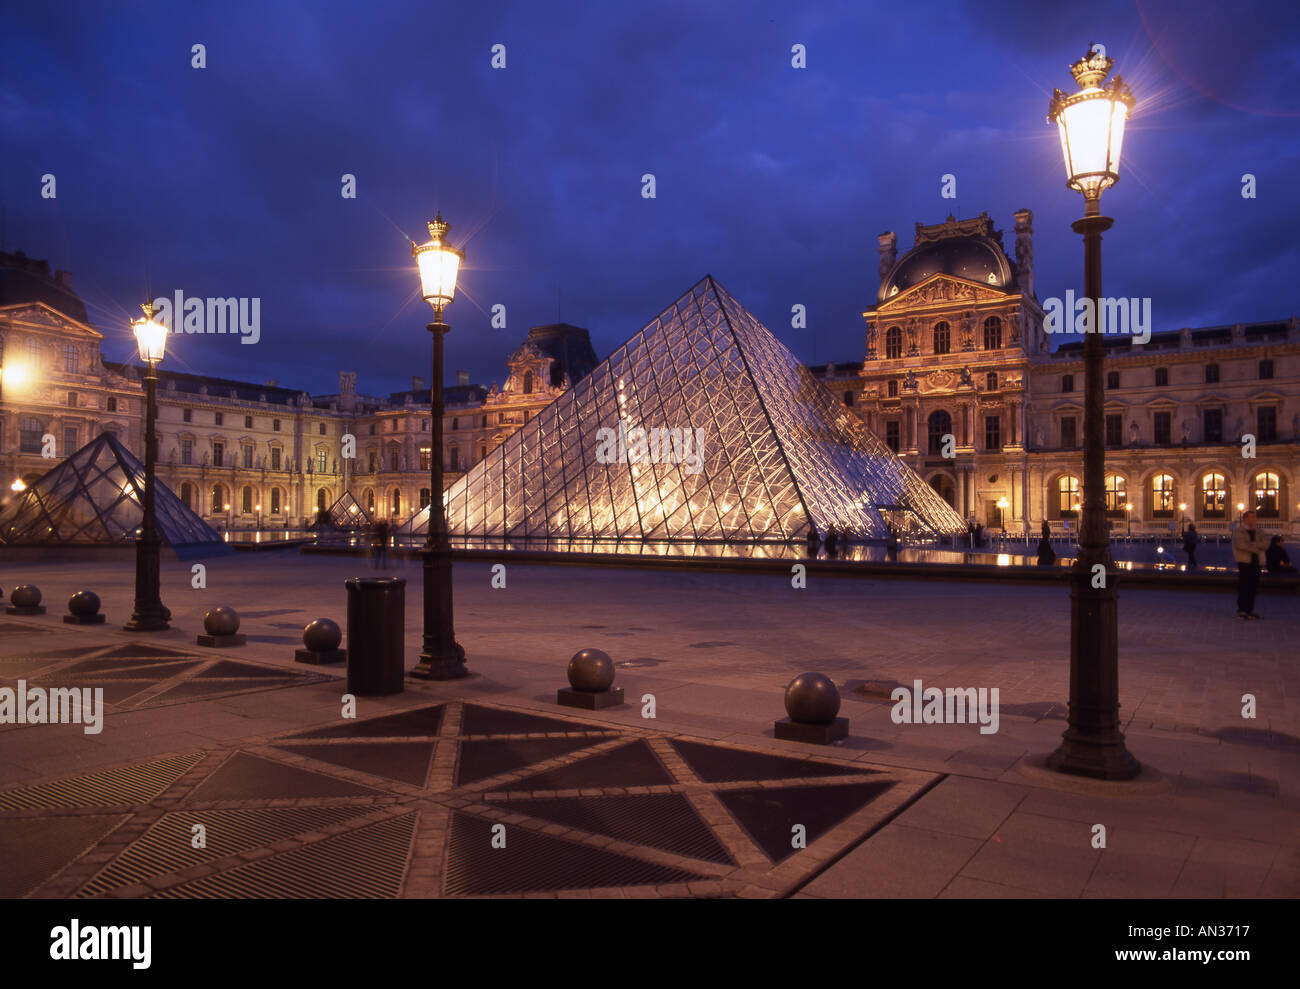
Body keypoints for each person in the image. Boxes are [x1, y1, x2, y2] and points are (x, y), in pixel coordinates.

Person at [1232, 511, 1266, 619]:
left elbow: (1265, 544)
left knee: (1254, 587)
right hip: (1244, 562)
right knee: (1244, 586)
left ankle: (1250, 610)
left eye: (1255, 517)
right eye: (1251, 517)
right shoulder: (1239, 531)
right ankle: (1242, 610)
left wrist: (1252, 545)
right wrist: (1257, 547)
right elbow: (1241, 545)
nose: (1254, 519)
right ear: (1245, 519)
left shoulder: (1259, 531)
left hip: (1257, 561)